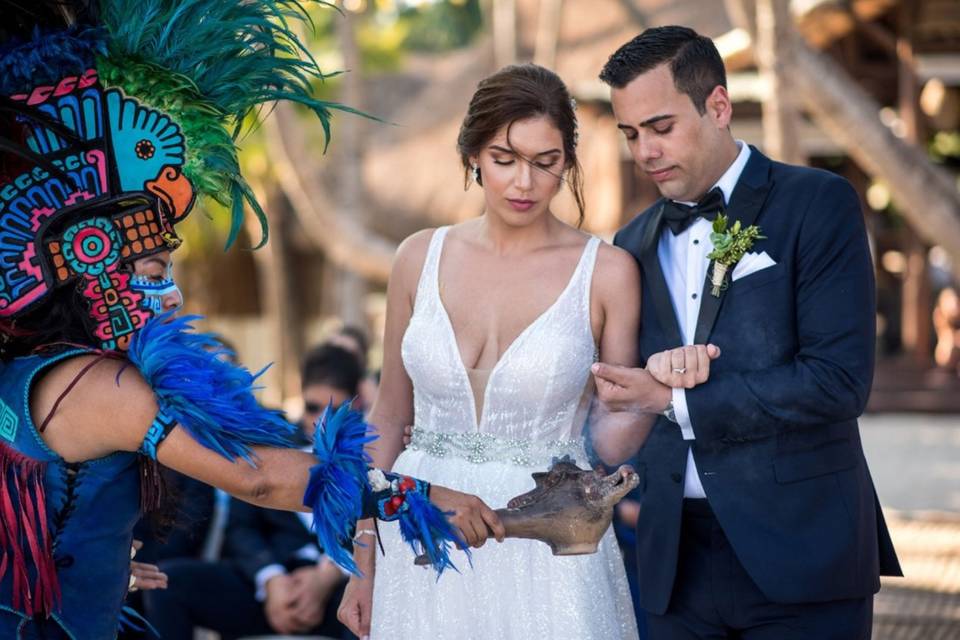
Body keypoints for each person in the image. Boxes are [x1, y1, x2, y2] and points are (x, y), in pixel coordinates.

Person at [0, 3, 497, 638]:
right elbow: (259, 478)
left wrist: (90, 565)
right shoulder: (98, 386)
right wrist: (416, 496)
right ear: (90, 262)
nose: (172, 297)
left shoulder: (33, 371)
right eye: (154, 274)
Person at [591, 25, 902, 638]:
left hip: (802, 552)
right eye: (630, 134)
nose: (644, 152)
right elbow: (618, 400)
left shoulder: (819, 204)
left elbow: (839, 382)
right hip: (669, 567)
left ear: (719, 107)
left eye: (660, 127)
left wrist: (676, 400)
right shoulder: (628, 245)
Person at [338, 63, 668, 640]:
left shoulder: (608, 273)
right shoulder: (417, 258)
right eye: (504, 159)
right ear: (472, 155)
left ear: (567, 160)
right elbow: (389, 416)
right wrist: (362, 556)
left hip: (553, 537)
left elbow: (615, 436)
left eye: (546, 162)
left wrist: (657, 392)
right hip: (421, 529)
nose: (524, 183)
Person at [143, 345, 363, 639]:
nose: (320, 421)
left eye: (333, 410)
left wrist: (329, 574)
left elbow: (376, 533)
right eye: (312, 407)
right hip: (267, 585)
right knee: (168, 582)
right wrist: (270, 578)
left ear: (356, 405)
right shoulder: (270, 444)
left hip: (341, 590)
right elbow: (240, 526)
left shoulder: (374, 457)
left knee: (368, 602)